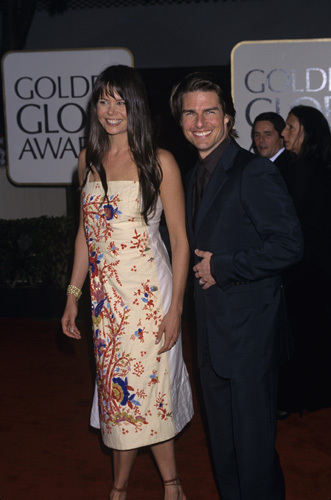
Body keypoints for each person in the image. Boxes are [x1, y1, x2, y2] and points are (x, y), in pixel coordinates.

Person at [61, 65, 193, 500]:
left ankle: (170, 485)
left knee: (151, 392)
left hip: (149, 299)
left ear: (136, 106)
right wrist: (73, 295)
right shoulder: (88, 161)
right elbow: (86, 233)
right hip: (105, 304)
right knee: (116, 395)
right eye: (104, 100)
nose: (111, 111)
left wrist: (175, 310)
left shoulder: (160, 162)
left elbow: (179, 240)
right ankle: (120, 487)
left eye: (121, 101)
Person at [170, 72, 303, 500]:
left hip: (249, 339)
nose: (200, 120)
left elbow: (289, 244)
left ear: (227, 118)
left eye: (210, 111)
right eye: (190, 112)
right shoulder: (193, 175)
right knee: (224, 454)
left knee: (254, 454)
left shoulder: (254, 171)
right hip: (212, 337)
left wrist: (224, 267)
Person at [281, 105, 331, 412]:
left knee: (302, 334)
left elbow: (289, 223)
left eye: (290, 127)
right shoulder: (312, 166)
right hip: (314, 265)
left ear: (306, 133)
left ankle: (301, 397)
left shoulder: (304, 171)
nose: (283, 133)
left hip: (305, 267)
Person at [251, 111, 290, 177]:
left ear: (282, 137)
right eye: (257, 135)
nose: (261, 140)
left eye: (268, 134)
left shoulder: (291, 166)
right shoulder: (253, 167)